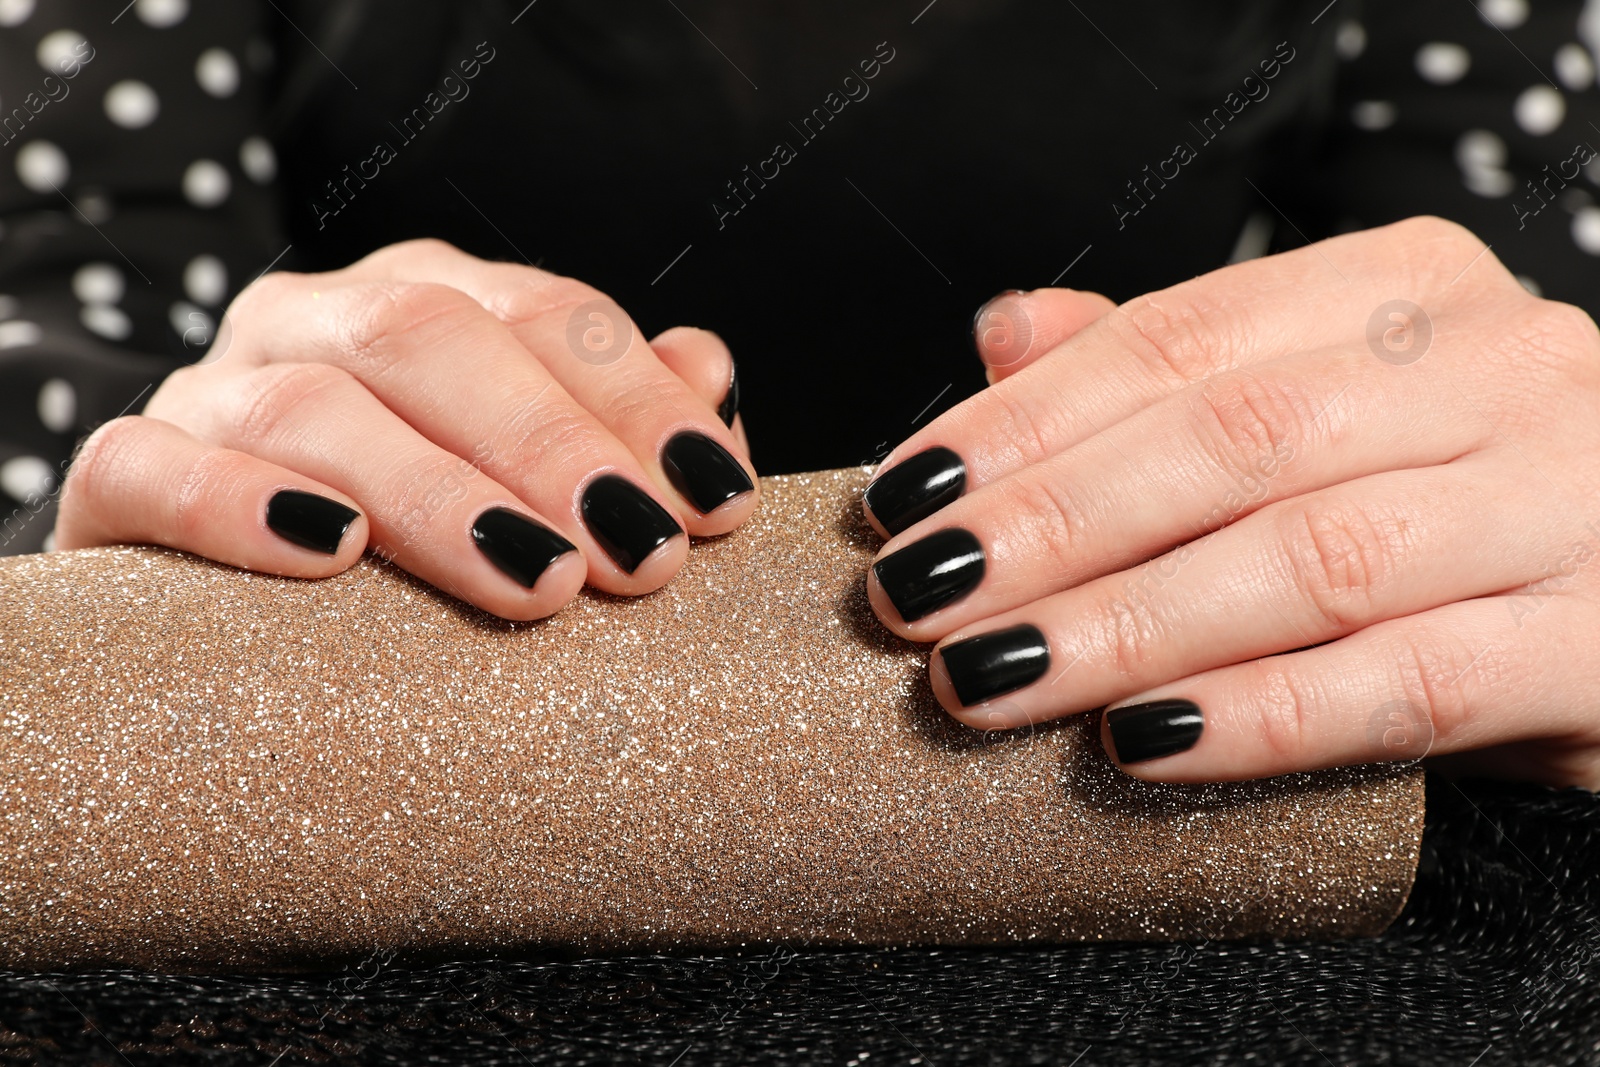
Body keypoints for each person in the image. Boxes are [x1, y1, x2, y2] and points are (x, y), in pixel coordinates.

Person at [2, 0, 1599, 788]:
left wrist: (1530, 512)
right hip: (345, 824)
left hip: (1164, 860)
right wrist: (129, 532)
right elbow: (59, 337)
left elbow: (1506, 291)